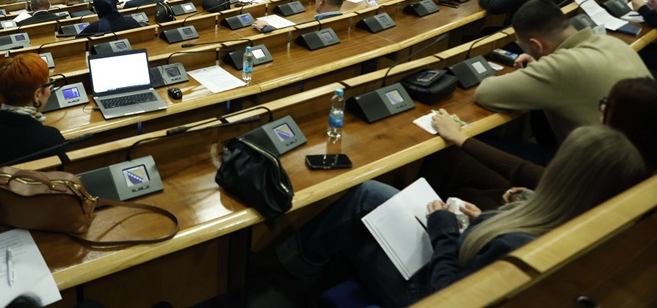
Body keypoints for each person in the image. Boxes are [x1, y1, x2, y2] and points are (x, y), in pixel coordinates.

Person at [274, 125, 646, 307]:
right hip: (461, 253)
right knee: (372, 195)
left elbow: (449, 293)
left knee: (364, 206)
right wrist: (481, 220)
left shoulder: (518, 243)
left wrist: (444, 228)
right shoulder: (593, 225)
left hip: (429, 290)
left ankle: (290, 271)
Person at [425, 78, 657, 210]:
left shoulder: (612, 160)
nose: (603, 106)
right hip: (542, 195)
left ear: (627, 119)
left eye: (609, 104)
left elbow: (531, 173)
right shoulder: (642, 160)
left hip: (539, 211)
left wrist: (460, 138)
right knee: (460, 164)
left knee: (456, 166)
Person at [476, 0, 652, 143]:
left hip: (602, 170)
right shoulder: (612, 42)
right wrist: (543, 62)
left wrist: (541, 66)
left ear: (536, 45)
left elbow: (485, 93)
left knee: (484, 142)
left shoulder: (560, 67)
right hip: (644, 154)